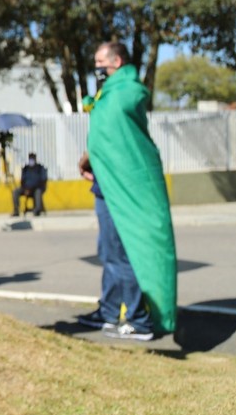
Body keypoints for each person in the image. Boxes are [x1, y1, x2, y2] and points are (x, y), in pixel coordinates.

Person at [75, 40, 178, 340]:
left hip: (126, 186)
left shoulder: (126, 92)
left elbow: (120, 130)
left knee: (121, 253)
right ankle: (108, 312)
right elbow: (105, 136)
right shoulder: (106, 95)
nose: (97, 69)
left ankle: (138, 318)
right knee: (108, 251)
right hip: (105, 185)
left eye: (100, 63)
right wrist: (90, 157)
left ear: (116, 62)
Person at [11, 152, 47, 216]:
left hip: (36, 188)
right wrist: (25, 189)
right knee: (15, 191)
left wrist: (32, 188)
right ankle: (16, 211)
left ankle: (37, 210)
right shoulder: (26, 168)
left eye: (32, 158)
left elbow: (43, 181)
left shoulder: (40, 168)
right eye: (30, 158)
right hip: (26, 188)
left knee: (38, 192)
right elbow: (22, 181)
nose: (31, 160)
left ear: (35, 159)